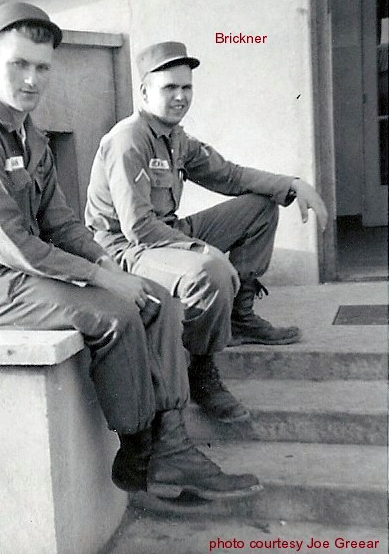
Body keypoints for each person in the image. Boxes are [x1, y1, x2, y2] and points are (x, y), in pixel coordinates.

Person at [0, 4, 262, 500]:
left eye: (42, 67)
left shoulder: (29, 134)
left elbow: (61, 223)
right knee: (115, 315)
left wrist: (104, 263)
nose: (32, 79)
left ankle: (172, 446)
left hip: (23, 272)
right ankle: (138, 452)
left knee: (157, 300)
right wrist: (104, 279)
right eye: (19, 64)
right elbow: (14, 245)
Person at [85, 41, 328, 424]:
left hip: (166, 233)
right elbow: (138, 228)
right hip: (126, 250)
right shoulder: (128, 139)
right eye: (170, 88)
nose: (181, 96)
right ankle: (201, 368)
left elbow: (230, 176)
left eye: (187, 87)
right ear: (145, 92)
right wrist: (201, 250)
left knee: (261, 206)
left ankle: (240, 319)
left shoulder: (177, 139)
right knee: (209, 272)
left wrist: (292, 184)